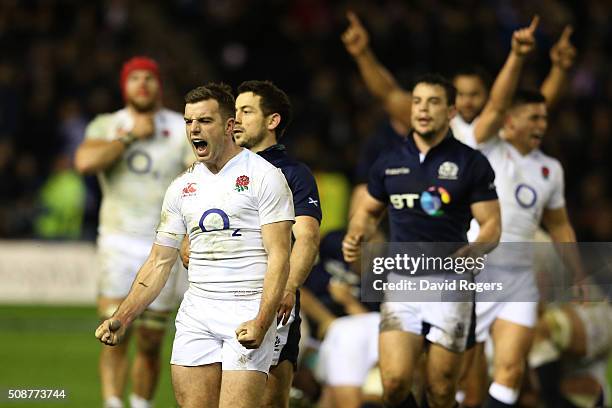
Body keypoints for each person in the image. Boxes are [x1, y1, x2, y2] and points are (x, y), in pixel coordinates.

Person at [95, 82, 295, 408]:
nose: (193, 129)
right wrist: (124, 317)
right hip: (197, 314)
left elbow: (279, 257)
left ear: (229, 126)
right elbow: (159, 262)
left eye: (204, 121)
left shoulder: (265, 177)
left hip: (246, 309)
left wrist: (262, 320)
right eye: (189, 121)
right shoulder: (182, 187)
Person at [342, 74, 501, 408]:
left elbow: (491, 226)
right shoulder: (389, 160)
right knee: (396, 384)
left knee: (442, 391)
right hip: (402, 284)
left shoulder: (471, 163)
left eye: (433, 102)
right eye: (417, 101)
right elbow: (368, 212)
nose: (423, 109)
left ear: (451, 112)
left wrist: (475, 248)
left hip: (451, 285)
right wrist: (356, 232)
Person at [463, 19, 583, 408]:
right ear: (510, 124)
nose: (542, 125)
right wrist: (517, 56)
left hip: (519, 276)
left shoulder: (551, 169)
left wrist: (578, 273)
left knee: (511, 370)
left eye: (545, 119)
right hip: (474, 269)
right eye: (533, 119)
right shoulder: (486, 146)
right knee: (463, 372)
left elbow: (560, 224)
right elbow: (500, 104)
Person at [181, 80, 322, 408]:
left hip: (267, 302)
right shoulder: (211, 171)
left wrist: (287, 288)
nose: (237, 119)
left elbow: (307, 238)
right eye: (235, 112)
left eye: (246, 111)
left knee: (268, 401)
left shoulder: (292, 174)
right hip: (212, 302)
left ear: (272, 121)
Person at [74, 56, 193, 408]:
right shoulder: (107, 125)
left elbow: (200, 175)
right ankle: (113, 403)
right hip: (118, 241)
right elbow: (84, 162)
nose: (142, 84)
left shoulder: (181, 125)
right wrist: (127, 139)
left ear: (159, 84)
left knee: (151, 339)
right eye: (135, 78)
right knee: (114, 331)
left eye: (149, 78)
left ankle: (141, 404)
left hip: (164, 244)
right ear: (124, 86)